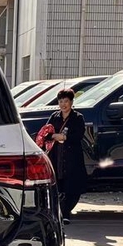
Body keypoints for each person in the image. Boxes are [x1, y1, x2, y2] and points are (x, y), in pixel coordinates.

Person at [45, 88, 87, 224]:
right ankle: (58, 212)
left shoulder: (78, 118)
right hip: (56, 155)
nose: (63, 104)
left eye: (66, 101)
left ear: (71, 102)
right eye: (61, 101)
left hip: (72, 156)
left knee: (72, 186)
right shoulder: (54, 116)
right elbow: (45, 132)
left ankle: (66, 212)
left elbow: (79, 135)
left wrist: (64, 137)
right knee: (57, 185)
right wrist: (54, 136)